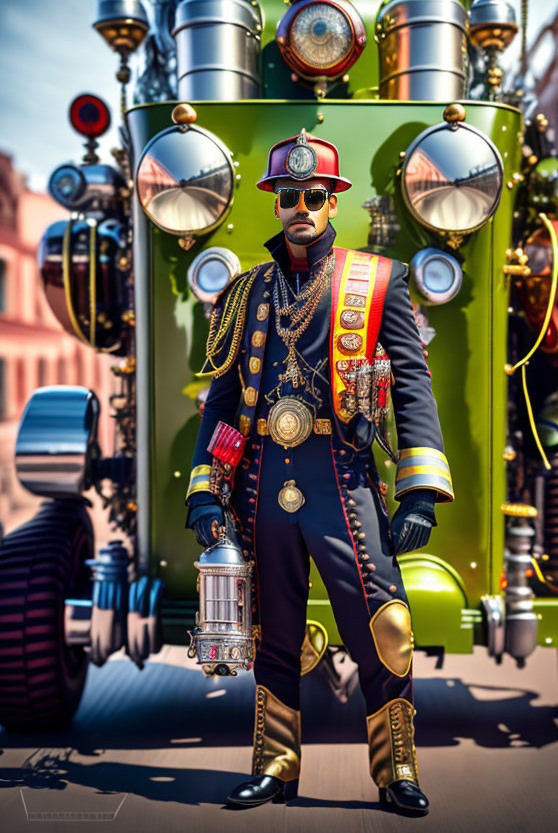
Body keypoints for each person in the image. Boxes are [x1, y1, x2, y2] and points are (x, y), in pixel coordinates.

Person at [185, 129, 453, 816]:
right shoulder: (244, 294)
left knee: (384, 628)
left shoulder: (379, 280)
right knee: (273, 636)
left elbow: (414, 389)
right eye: (288, 196)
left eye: (313, 195)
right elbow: (221, 404)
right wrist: (206, 492)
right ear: (274, 204)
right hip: (262, 484)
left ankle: (396, 771)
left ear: (332, 202)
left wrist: (420, 488)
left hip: (344, 478)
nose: (300, 206)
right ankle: (274, 767)